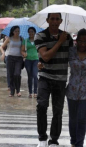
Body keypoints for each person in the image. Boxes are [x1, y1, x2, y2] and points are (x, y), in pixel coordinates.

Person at [34, 13, 73, 147]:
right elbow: (45, 57)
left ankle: (54, 140)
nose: (55, 22)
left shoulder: (68, 37)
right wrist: (60, 42)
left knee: (58, 111)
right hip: (45, 77)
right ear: (47, 20)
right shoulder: (40, 36)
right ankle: (42, 138)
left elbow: (73, 57)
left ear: (61, 21)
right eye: (52, 19)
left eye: (57, 19)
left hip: (61, 79)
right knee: (41, 106)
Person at [66, 28, 86, 147]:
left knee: (82, 119)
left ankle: (79, 144)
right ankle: (73, 141)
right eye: (81, 41)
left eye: (85, 41)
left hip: (85, 92)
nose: (83, 44)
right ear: (76, 40)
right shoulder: (71, 52)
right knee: (73, 119)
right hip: (72, 90)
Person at [0, 26, 23, 97]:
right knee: (11, 74)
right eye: (16, 31)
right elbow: (1, 47)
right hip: (10, 58)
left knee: (17, 74)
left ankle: (18, 90)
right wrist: (3, 53)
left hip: (19, 58)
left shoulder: (21, 39)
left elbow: (23, 48)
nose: (17, 32)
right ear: (13, 32)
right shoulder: (9, 38)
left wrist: (24, 54)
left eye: (18, 31)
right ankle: (12, 91)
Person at [21, 27, 39, 98]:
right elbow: (22, 50)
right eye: (29, 32)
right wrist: (23, 53)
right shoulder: (25, 41)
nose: (31, 33)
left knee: (35, 75)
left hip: (36, 60)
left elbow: (41, 49)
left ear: (34, 32)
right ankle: (30, 92)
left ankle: (35, 92)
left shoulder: (37, 40)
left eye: (32, 31)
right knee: (30, 76)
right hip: (28, 60)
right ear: (28, 33)